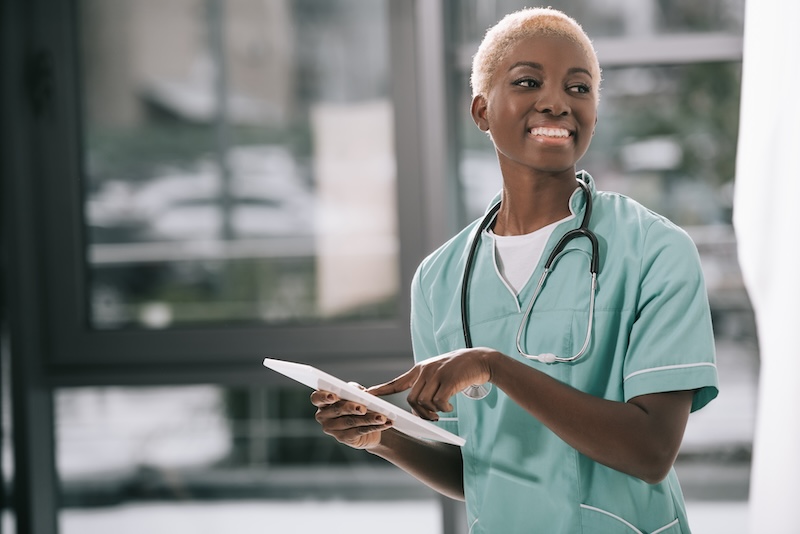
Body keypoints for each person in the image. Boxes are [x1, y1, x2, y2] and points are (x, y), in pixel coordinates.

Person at [311, 7, 718, 533]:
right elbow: (476, 467)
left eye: (580, 88)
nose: (557, 102)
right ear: (481, 111)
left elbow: (650, 451)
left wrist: (494, 366)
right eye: (528, 81)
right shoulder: (440, 280)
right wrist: (381, 433)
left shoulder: (655, 249)